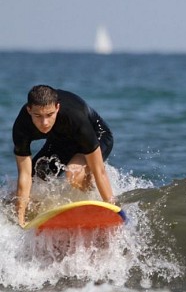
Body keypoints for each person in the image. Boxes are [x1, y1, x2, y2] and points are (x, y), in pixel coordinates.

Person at [12, 85, 116, 226]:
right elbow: (24, 174)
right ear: (29, 110)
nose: (44, 123)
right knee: (34, 181)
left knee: (73, 174)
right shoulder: (21, 127)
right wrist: (20, 221)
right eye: (38, 116)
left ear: (57, 108)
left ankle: (91, 193)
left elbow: (99, 170)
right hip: (61, 139)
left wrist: (112, 210)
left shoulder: (74, 117)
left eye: (49, 115)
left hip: (97, 135)